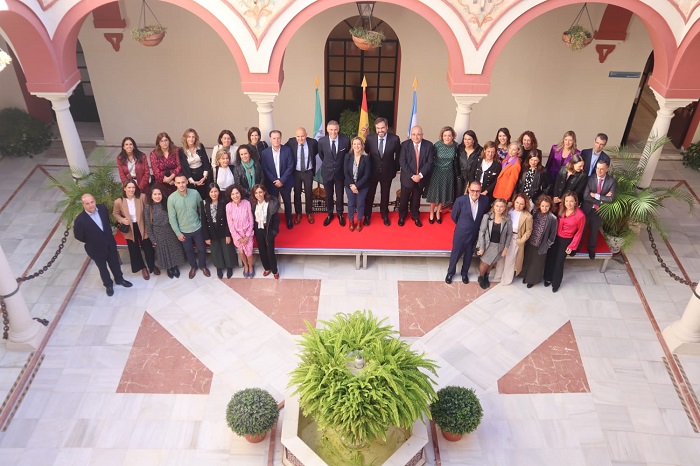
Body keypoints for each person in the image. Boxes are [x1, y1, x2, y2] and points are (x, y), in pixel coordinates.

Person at [74, 193, 132, 296]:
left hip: (110, 244)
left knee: (115, 263)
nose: (91, 205)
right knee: (102, 268)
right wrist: (93, 240)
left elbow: (107, 223)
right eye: (87, 203)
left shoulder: (102, 208)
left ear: (95, 201)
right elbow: (79, 236)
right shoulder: (80, 220)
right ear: (83, 205)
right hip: (96, 249)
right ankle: (108, 285)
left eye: (92, 202)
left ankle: (119, 279)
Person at [446, 180, 490, 284]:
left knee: (469, 255)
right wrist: (463, 225)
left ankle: (464, 273)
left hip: (475, 233)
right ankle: (450, 273)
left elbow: (484, 214)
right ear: (469, 189)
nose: (475, 193)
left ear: (481, 190)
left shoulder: (485, 200)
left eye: (478, 191)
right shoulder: (460, 200)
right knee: (455, 254)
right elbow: (454, 216)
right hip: (461, 233)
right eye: (473, 191)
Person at [113, 179, 157, 280]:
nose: (131, 189)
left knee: (148, 248)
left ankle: (152, 266)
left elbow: (148, 210)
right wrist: (122, 220)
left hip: (142, 225)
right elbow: (115, 213)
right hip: (130, 228)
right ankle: (143, 268)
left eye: (133, 187)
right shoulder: (119, 201)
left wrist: (149, 225)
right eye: (129, 187)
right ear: (124, 188)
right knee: (134, 249)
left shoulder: (142, 197)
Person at [167, 173, 210, 279]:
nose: (181, 185)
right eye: (178, 183)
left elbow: (201, 210)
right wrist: (178, 233)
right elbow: (172, 218)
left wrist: (202, 225)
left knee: (201, 248)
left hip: (197, 228)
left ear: (186, 182)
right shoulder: (171, 198)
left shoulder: (195, 193)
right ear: (175, 184)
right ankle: (193, 267)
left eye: (183, 182)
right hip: (183, 231)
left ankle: (203, 266)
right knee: (188, 251)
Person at [543, 191, 585, 292]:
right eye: (566, 201)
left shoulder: (580, 215)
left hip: (567, 240)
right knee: (551, 258)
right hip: (555, 237)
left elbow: (579, 233)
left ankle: (556, 283)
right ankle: (547, 278)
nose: (568, 204)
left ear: (575, 202)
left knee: (559, 262)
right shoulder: (561, 207)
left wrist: (571, 246)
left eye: (571, 201)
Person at [364, 117, 401, 226]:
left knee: (385, 194)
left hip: (387, 172)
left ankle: (384, 214)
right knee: (370, 194)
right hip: (372, 172)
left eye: (382, 128)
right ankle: (367, 215)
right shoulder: (370, 138)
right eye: (378, 128)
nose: (380, 130)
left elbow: (398, 155)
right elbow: (366, 152)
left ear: (387, 127)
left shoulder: (394, 139)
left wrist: (395, 169)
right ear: (375, 128)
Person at [145, 185, 186, 279]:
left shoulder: (167, 204)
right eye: (155, 194)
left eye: (159, 194)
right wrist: (152, 238)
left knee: (173, 249)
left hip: (170, 229)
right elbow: (148, 224)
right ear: (151, 196)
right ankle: (169, 268)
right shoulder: (148, 208)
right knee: (163, 251)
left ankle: (175, 266)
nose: (157, 196)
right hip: (158, 232)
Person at [398, 125, 435, 227]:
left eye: (418, 134)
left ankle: (415, 216)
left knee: (416, 198)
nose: (416, 137)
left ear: (422, 135)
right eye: (413, 134)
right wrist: (412, 176)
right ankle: (402, 216)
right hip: (407, 178)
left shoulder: (429, 145)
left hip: (421, 178)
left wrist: (420, 175)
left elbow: (430, 162)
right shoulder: (405, 145)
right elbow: (402, 161)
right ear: (411, 135)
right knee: (404, 198)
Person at [493, 193, 532, 285]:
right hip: (504, 236)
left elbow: (528, 231)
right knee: (501, 257)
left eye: (521, 204)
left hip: (515, 238)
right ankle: (499, 274)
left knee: (510, 260)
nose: (518, 205)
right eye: (517, 202)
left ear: (525, 204)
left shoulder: (527, 216)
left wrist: (520, 241)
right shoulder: (509, 209)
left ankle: (507, 279)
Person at [520, 195, 558, 288]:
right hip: (531, 241)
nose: (544, 208)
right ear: (539, 205)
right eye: (543, 206)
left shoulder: (553, 218)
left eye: (547, 206)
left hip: (541, 244)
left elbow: (553, 235)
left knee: (536, 264)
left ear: (550, 206)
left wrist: (546, 245)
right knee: (528, 260)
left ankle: (531, 280)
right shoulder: (534, 212)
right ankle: (525, 276)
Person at [582, 160, 617, 259]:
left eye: (602, 169)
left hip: (599, 211)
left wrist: (596, 195)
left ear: (607, 169)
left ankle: (591, 249)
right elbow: (585, 196)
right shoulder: (590, 178)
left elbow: (611, 199)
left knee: (594, 231)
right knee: (582, 229)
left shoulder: (611, 181)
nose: (599, 171)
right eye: (597, 168)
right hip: (588, 208)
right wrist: (601, 199)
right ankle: (577, 247)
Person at [475, 198, 513, 289]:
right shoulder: (487, 217)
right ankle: (481, 276)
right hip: (488, 245)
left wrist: (506, 248)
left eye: (501, 207)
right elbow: (481, 232)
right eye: (497, 206)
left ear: (505, 208)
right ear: (493, 206)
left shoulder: (507, 219)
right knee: (485, 263)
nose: (499, 208)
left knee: (492, 262)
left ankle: (487, 276)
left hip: (499, 246)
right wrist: (482, 247)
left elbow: (509, 234)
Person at [318, 120, 350, 226]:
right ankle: (330, 214)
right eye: (331, 129)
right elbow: (322, 155)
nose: (333, 132)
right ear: (327, 130)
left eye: (335, 129)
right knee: (328, 195)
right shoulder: (322, 141)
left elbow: (346, 156)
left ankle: (340, 214)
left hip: (340, 173)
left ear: (338, 129)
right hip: (327, 173)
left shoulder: (345, 141)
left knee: (340, 195)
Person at [261, 130, 295, 230]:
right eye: (274, 138)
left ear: (281, 138)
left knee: (287, 202)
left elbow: (290, 166)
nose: (276, 140)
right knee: (273, 203)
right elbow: (265, 168)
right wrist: (275, 180)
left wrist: (282, 180)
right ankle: (274, 221)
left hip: (285, 181)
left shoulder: (287, 150)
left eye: (278, 138)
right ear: (270, 139)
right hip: (272, 183)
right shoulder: (265, 153)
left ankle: (289, 219)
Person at [201, 183, 236, 279]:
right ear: (208, 193)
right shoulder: (204, 203)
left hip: (223, 228)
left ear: (219, 191)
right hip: (211, 229)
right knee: (215, 249)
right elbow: (203, 221)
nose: (214, 194)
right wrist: (206, 236)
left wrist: (228, 234)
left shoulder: (224, 202)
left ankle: (229, 266)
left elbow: (228, 219)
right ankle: (219, 267)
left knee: (227, 248)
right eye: (211, 191)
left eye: (215, 191)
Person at [285, 127, 318, 224]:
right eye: (298, 136)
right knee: (297, 193)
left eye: (302, 136)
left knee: (309, 193)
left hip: (308, 172)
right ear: (295, 136)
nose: (300, 138)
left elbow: (317, 152)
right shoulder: (291, 142)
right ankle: (298, 213)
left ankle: (309, 212)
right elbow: (283, 150)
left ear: (306, 135)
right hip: (296, 172)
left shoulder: (313, 143)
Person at [425, 126, 457, 224]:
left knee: (443, 193)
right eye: (445, 135)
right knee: (435, 194)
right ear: (442, 136)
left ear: (453, 136)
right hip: (437, 172)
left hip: (448, 173)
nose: (447, 137)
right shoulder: (437, 145)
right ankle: (431, 212)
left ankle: (438, 212)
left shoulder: (455, 146)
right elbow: (430, 158)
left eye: (449, 136)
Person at [251, 184, 281, 279]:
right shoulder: (253, 204)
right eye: (256, 193)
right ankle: (267, 268)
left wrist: (274, 232)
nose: (258, 195)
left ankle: (274, 270)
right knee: (262, 250)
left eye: (260, 192)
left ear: (264, 192)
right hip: (258, 228)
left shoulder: (270, 204)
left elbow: (276, 220)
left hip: (268, 229)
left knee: (270, 251)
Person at [225, 185, 255, 278]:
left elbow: (251, 220)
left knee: (249, 253)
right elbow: (230, 224)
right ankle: (245, 266)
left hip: (247, 234)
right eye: (233, 194)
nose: (235, 196)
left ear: (240, 193)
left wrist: (247, 236)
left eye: (237, 193)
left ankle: (250, 267)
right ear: (230, 196)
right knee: (241, 252)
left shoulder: (246, 203)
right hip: (237, 236)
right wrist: (238, 237)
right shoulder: (228, 206)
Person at [344, 136, 372, 231]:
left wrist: (357, 185)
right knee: (351, 203)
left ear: (362, 146)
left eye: (358, 144)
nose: (356, 146)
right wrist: (352, 185)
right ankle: (351, 221)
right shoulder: (347, 156)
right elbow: (345, 172)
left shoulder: (366, 158)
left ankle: (359, 220)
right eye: (354, 144)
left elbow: (367, 175)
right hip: (349, 185)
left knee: (360, 204)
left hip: (362, 186)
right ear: (352, 146)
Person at [178, 128, 212, 200]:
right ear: (185, 138)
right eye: (189, 137)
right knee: (193, 198)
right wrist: (192, 181)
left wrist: (204, 177)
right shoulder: (181, 151)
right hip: (190, 175)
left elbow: (206, 162)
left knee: (203, 197)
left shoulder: (200, 146)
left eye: (193, 137)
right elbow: (184, 167)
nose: (191, 139)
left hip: (202, 173)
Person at [455, 130, 482, 200]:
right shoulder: (459, 149)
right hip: (460, 177)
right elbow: (456, 162)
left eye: (469, 139)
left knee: (469, 198)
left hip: (472, 178)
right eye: (465, 139)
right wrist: (457, 174)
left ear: (474, 140)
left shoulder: (479, 150)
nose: (466, 141)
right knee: (458, 197)